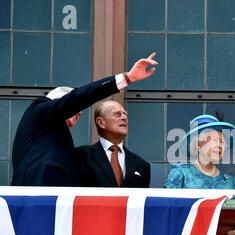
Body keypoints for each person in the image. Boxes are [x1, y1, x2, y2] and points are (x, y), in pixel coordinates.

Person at [11, 52, 158, 187]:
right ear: (59, 100)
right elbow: (80, 97)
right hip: (38, 191)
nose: (78, 113)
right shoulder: (41, 108)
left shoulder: (47, 131)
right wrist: (126, 78)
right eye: (75, 109)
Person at [75, 101, 150, 188]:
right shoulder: (80, 156)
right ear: (101, 122)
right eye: (117, 114)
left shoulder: (141, 165)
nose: (124, 117)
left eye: (125, 114)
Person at [164, 115, 235, 189]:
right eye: (214, 140)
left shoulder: (229, 181)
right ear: (198, 144)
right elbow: (167, 200)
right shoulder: (181, 172)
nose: (219, 145)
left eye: (222, 142)